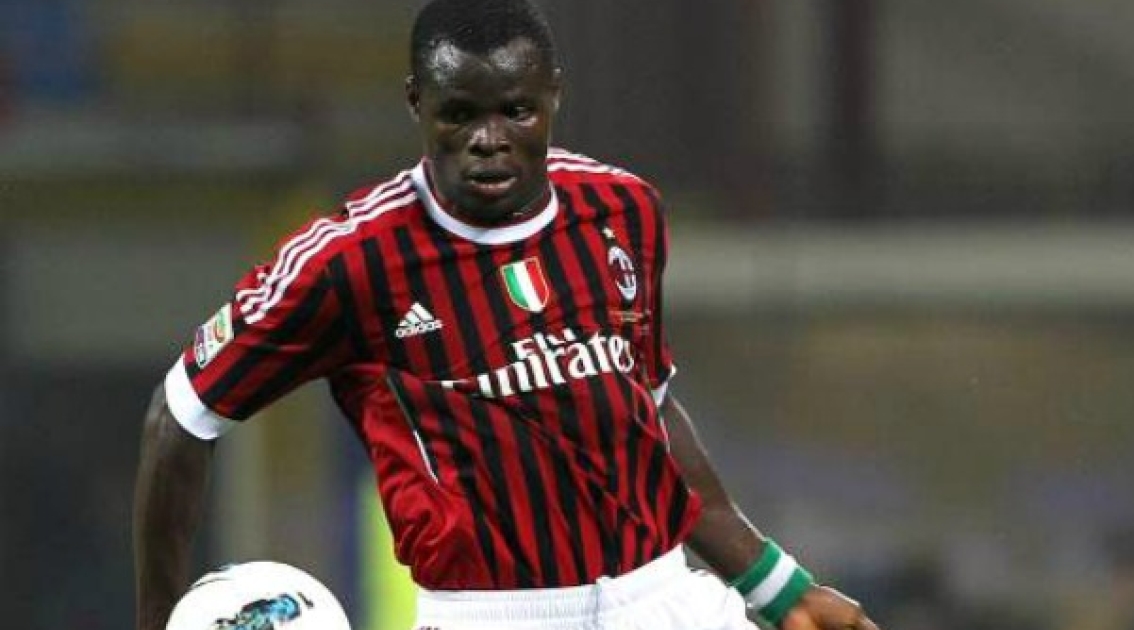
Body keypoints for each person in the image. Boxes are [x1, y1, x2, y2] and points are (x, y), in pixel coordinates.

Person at [133, 1, 882, 629]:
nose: (489, 140)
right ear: (416, 102)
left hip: (668, 600)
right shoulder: (350, 262)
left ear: (555, 94)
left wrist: (778, 590)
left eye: (516, 111)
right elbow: (179, 416)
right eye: (459, 114)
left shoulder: (622, 209)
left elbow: (648, 414)